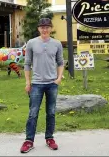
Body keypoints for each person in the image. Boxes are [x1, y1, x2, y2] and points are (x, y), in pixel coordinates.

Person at [20, 18, 64, 153]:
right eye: (42, 27)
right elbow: (27, 64)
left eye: (47, 27)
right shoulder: (32, 43)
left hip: (52, 84)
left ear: (50, 28)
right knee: (33, 113)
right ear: (38, 29)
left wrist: (58, 79)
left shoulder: (57, 44)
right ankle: (29, 141)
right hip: (36, 84)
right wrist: (28, 82)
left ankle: (49, 138)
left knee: (51, 112)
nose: (44, 29)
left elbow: (60, 62)